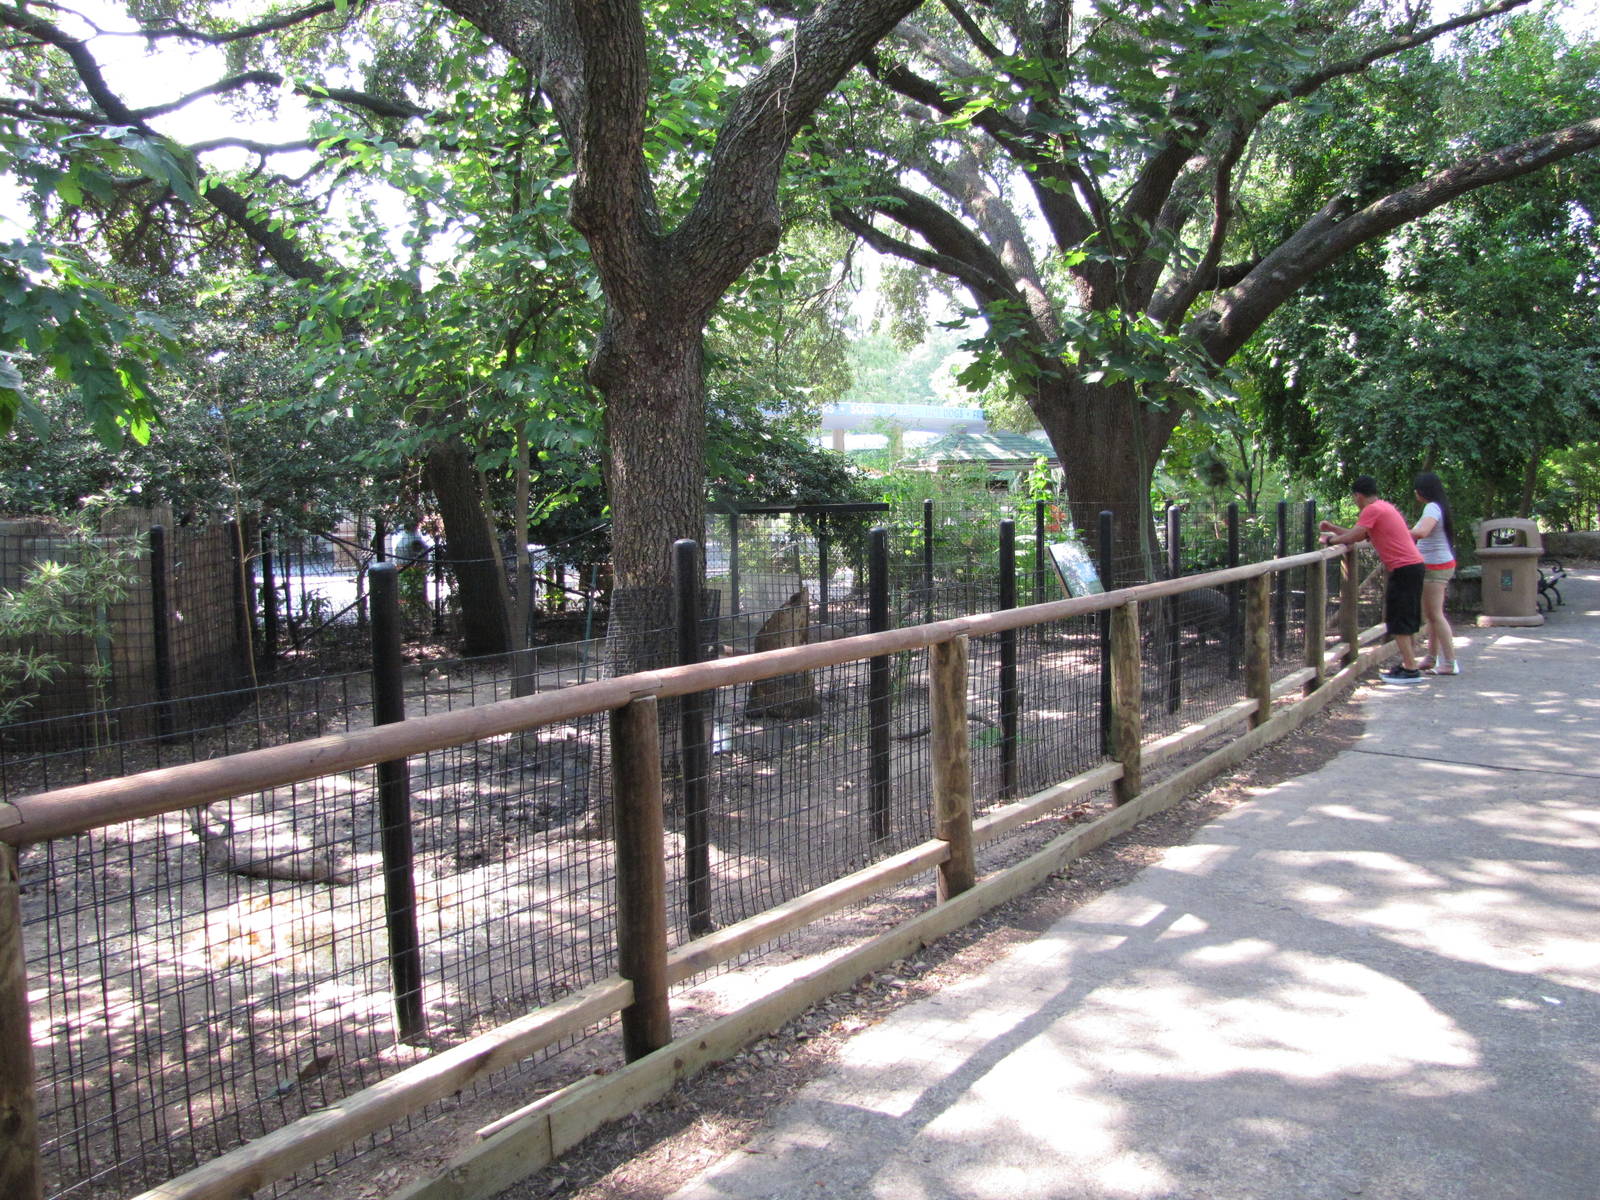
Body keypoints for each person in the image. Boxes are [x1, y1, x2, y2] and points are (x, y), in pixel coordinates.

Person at [1318, 476, 1427, 684]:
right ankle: (1408, 663)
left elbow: (1356, 536)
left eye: (1354, 498)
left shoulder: (1372, 510)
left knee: (1399, 620)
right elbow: (1359, 533)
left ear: (1358, 496)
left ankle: (1411, 669)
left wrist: (1330, 539)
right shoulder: (1384, 507)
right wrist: (1333, 528)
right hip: (1412, 567)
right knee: (1405, 617)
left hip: (1404, 569)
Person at [1409, 472, 1459, 675]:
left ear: (1422, 491)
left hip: (1436, 567)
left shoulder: (1431, 507)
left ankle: (1450, 662)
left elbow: (1422, 532)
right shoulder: (1437, 506)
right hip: (1436, 565)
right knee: (1432, 614)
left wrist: (1395, 531)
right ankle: (1431, 657)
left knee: (1435, 615)